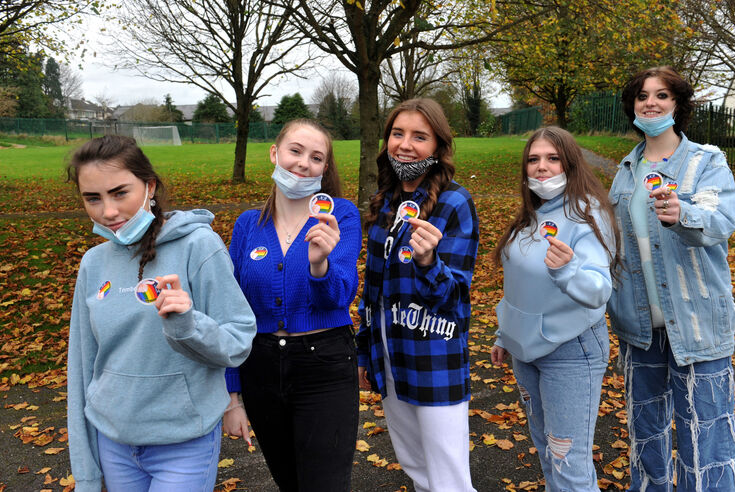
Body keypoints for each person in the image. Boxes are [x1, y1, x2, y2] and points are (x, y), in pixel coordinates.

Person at [66, 134, 257, 492]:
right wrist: (87, 474)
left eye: (120, 192)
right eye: (93, 198)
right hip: (115, 442)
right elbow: (81, 368)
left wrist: (189, 324)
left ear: (149, 186)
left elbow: (238, 341)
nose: (107, 211)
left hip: (184, 442)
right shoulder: (93, 264)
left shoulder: (198, 245)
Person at [608, 66, 735, 491]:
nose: (651, 103)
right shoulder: (626, 170)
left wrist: (682, 213)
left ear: (677, 105)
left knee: (707, 438)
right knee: (646, 438)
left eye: (662, 95)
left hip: (697, 322)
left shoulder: (706, 160)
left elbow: (721, 223)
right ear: (632, 106)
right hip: (639, 326)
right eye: (642, 95)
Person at [222, 119, 361, 491]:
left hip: (324, 364)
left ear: (325, 169)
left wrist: (320, 264)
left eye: (316, 157)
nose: (304, 163)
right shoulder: (248, 225)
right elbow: (233, 312)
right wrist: (232, 396)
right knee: (290, 482)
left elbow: (340, 297)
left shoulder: (340, 216)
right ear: (275, 153)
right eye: (295, 151)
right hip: (260, 367)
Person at [356, 98, 479, 492]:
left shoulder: (455, 203)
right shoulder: (385, 201)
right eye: (397, 133)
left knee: (449, 478)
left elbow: (456, 296)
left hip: (433, 358)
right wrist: (365, 352)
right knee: (415, 467)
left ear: (438, 147)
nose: (405, 144)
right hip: (390, 357)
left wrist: (429, 262)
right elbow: (371, 290)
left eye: (419, 136)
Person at [489, 126, 619, 490]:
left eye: (552, 158)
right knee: (547, 449)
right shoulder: (533, 214)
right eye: (533, 159)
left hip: (571, 349)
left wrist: (567, 270)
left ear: (570, 163)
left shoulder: (587, 214)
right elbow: (518, 284)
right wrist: (505, 333)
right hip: (524, 348)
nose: (541, 167)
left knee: (568, 461)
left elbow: (598, 290)